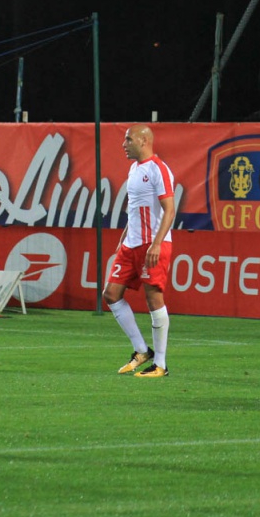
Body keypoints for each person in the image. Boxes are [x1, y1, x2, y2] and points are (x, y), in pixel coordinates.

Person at [104, 124, 176, 378]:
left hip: (151, 245)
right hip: (131, 244)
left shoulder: (158, 169)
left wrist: (157, 243)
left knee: (154, 299)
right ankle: (141, 351)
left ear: (144, 141)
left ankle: (161, 365)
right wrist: (125, 234)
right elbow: (136, 207)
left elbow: (170, 210)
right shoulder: (134, 168)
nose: (124, 144)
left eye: (128, 140)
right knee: (111, 294)